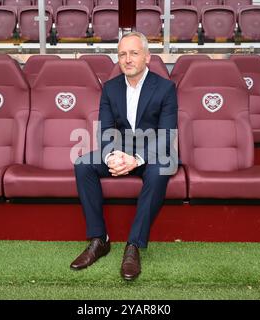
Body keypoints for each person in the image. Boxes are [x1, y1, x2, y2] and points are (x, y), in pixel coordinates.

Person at [71, 32, 178, 280]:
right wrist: (111, 157)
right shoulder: (110, 88)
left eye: (133, 53)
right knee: (83, 163)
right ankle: (100, 240)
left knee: (160, 168)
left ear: (147, 57)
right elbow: (106, 130)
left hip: (153, 154)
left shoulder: (165, 88)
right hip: (120, 152)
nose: (127, 59)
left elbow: (166, 135)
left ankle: (133, 246)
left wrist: (136, 159)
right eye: (122, 54)